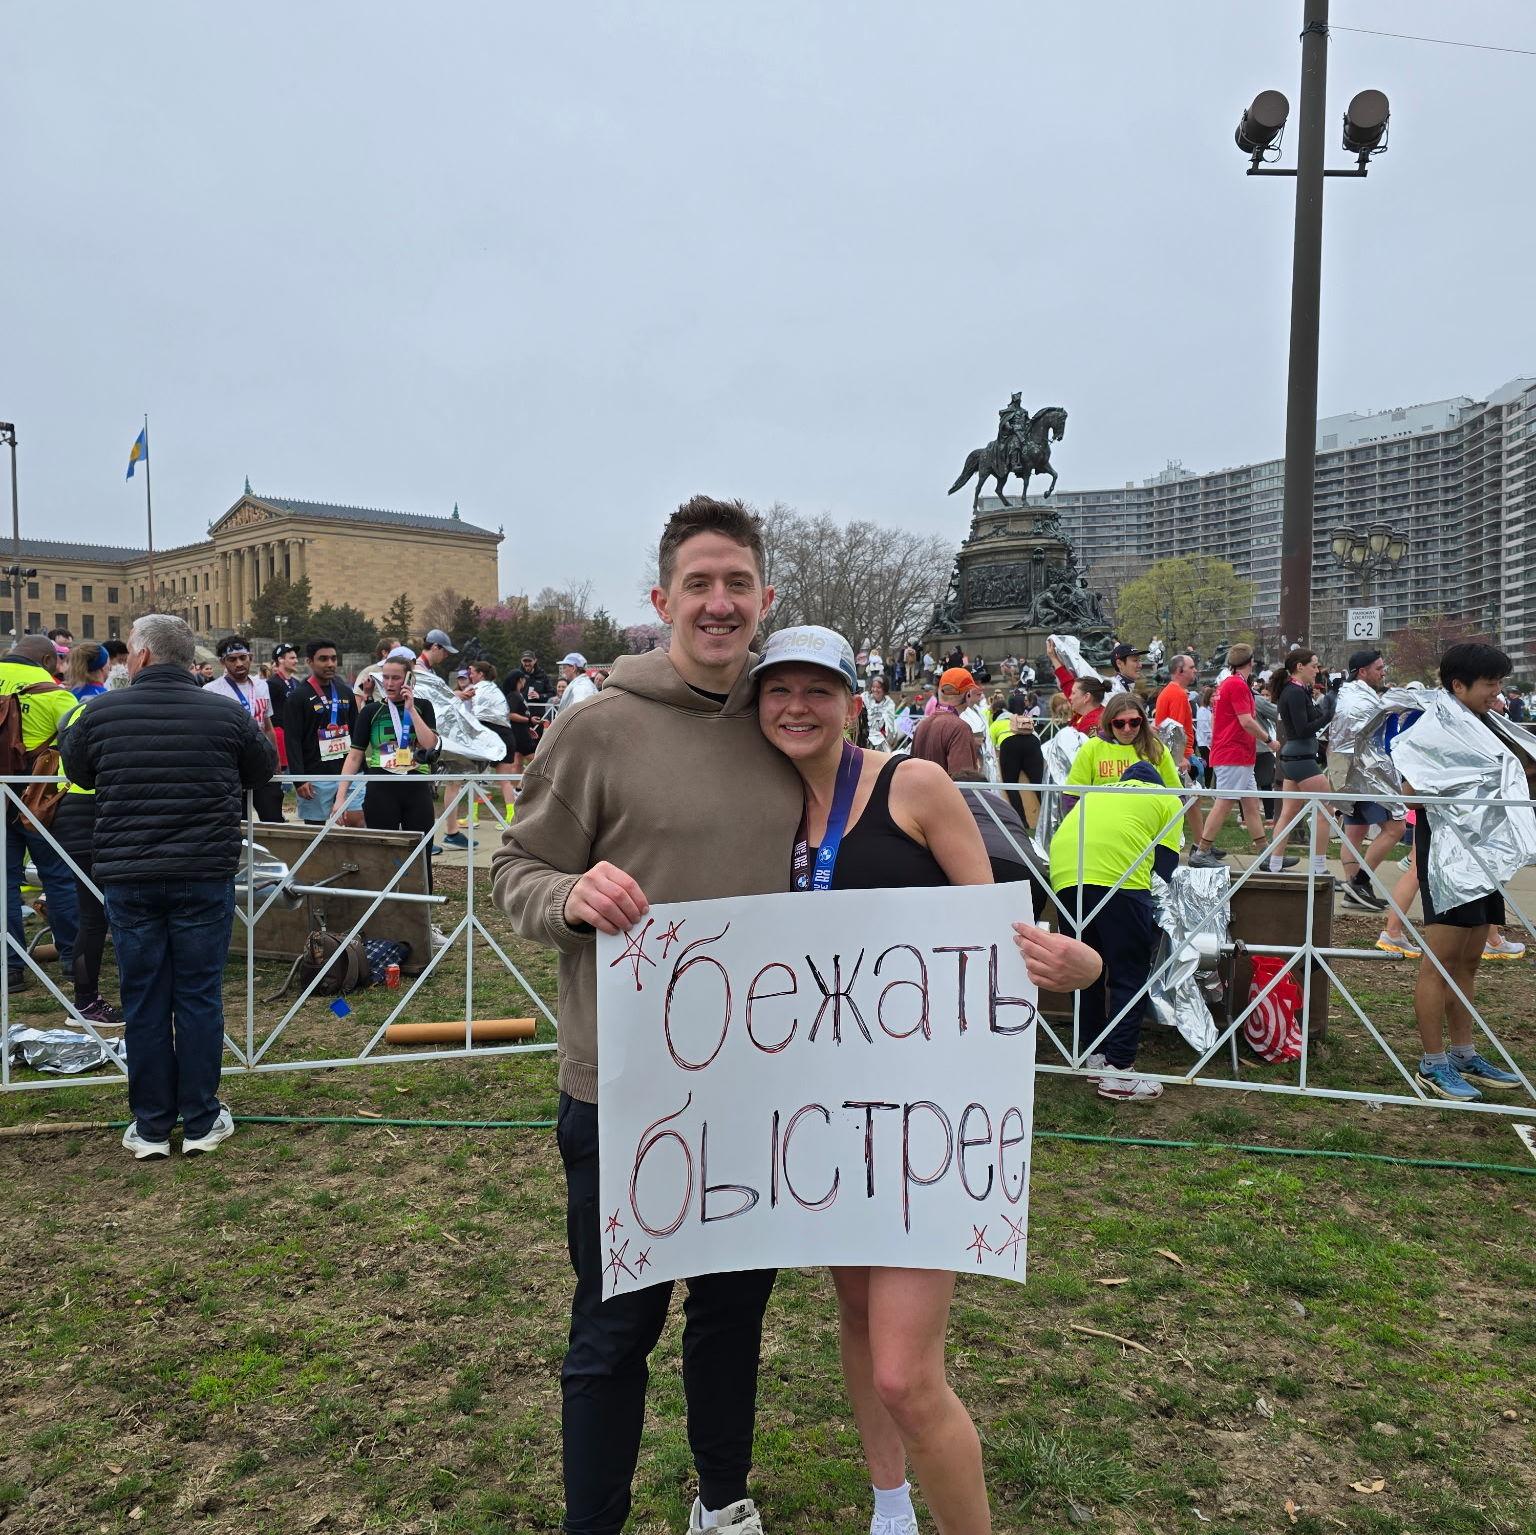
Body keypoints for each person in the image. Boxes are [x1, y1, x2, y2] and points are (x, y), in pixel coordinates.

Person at [491, 495, 805, 1535]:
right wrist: (570, 895)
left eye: (738, 583)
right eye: (698, 583)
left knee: (732, 1314)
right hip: (625, 1088)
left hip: (752, 1089)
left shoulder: (787, 724)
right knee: (617, 1327)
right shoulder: (597, 727)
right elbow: (514, 869)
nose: (720, 603)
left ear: (765, 598)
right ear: (663, 599)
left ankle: (722, 1497)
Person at [751, 622, 1000, 1534]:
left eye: (818, 690)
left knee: (906, 1372)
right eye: (780, 690)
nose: (798, 707)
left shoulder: (914, 785)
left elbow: (997, 934)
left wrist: (1081, 966)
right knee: (854, 1308)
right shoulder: (766, 809)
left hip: (926, 1111)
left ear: (854, 702)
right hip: (824, 1108)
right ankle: (889, 1506)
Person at [59, 614, 275, 1159]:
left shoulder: (100, 712)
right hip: (202, 872)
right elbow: (262, 768)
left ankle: (152, 1125)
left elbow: (79, 773)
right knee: (198, 996)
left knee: (144, 997)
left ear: (143, 655)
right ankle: (201, 1119)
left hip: (129, 875)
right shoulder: (225, 712)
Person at [1397, 643, 1525, 1102]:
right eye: (1490, 683)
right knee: (1441, 963)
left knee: (1469, 962)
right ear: (1458, 685)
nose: (1497, 692)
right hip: (1448, 860)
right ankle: (1432, 1063)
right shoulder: (1432, 729)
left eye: (1499, 683)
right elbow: (1410, 792)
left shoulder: (1485, 723)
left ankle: (1464, 1053)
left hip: (1482, 857)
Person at [1050, 758, 1184, 1101]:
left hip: (1065, 876)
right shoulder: (1167, 798)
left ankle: (1093, 1055)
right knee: (1128, 975)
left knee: (1083, 971)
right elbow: (1165, 867)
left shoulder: (1095, 793)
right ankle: (1120, 1071)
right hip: (1118, 880)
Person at [0, 634, 80, 992]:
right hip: (39, 802)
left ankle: (10, 968)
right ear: (48, 660)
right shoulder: (55, 694)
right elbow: (80, 746)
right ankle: (73, 960)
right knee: (58, 878)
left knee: (4, 884)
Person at [333, 657, 441, 886]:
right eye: (386, 677)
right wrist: (340, 797)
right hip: (381, 788)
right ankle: (382, 905)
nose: (389, 683)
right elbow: (354, 756)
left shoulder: (423, 706)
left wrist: (411, 710)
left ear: (409, 680)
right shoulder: (371, 711)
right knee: (380, 853)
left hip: (415, 785)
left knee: (422, 852)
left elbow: (430, 744)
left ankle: (422, 905)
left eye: (396, 678)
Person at [1190, 645, 1286, 870]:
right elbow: (1246, 721)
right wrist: (1269, 740)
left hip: (1235, 753)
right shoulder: (1237, 685)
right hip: (1234, 754)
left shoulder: (1228, 684)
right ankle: (1201, 852)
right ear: (1251, 662)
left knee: (1250, 804)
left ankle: (1264, 854)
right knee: (1225, 802)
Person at [1328, 650, 1405, 912]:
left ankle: (1355, 892)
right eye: (1379, 668)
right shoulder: (1358, 699)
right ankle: (1359, 882)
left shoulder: (1351, 694)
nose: (1383, 672)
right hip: (1365, 773)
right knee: (1396, 828)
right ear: (1362, 671)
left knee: (1355, 832)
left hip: (1348, 772)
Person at [1265, 650, 1337, 884]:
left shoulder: (1298, 690)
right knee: (1325, 811)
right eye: (1313, 666)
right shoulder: (1294, 692)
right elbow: (1303, 729)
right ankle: (1319, 868)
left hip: (1295, 758)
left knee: (1288, 812)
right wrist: (1328, 715)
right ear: (1299, 666)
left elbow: (1311, 718)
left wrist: (1322, 702)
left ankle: (1275, 865)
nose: (1317, 670)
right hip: (1300, 759)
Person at [285, 638, 364, 828]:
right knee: (316, 831)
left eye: (333, 658)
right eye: (323, 659)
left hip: (347, 773)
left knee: (358, 823)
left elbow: (356, 734)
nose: (330, 664)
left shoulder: (345, 692)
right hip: (315, 776)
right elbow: (292, 740)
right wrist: (299, 779)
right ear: (309, 662)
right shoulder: (298, 696)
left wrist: (362, 769)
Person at [212, 636, 282, 822]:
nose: (239, 663)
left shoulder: (262, 685)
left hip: (261, 761)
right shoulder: (212, 690)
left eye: (243, 657)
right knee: (237, 821)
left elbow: (267, 725)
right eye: (232, 659)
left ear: (250, 657)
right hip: (231, 765)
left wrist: (275, 758)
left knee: (273, 817)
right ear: (222, 662)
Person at [457, 657, 518, 821]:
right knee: (504, 780)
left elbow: (467, 715)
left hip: (487, 736)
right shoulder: (496, 690)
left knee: (475, 778)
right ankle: (511, 817)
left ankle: (473, 816)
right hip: (506, 735)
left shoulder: (476, 689)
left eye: (472, 672)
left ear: (481, 674)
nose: (470, 676)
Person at [1154, 653, 1204, 842]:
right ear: (1179, 671)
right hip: (1178, 757)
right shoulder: (1177, 694)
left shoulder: (1172, 691)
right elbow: (1175, 729)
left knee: (1192, 800)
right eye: (1191, 667)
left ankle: (1200, 844)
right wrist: (1181, 758)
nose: (1195, 670)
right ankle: (1199, 846)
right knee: (1189, 801)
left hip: (1176, 755)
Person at [910, 667, 982, 775]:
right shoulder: (960, 728)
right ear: (968, 695)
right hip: (944, 786)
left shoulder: (922, 725)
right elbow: (963, 779)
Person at [552, 652, 599, 717]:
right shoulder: (581, 683)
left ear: (574, 668)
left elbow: (580, 713)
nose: (563, 671)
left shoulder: (581, 686)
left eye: (565, 667)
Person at [863, 674, 899, 751]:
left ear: (884, 689)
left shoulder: (889, 704)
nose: (875, 690)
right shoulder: (865, 698)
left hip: (881, 742)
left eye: (878, 687)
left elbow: (890, 727)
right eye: (873, 687)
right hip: (864, 739)